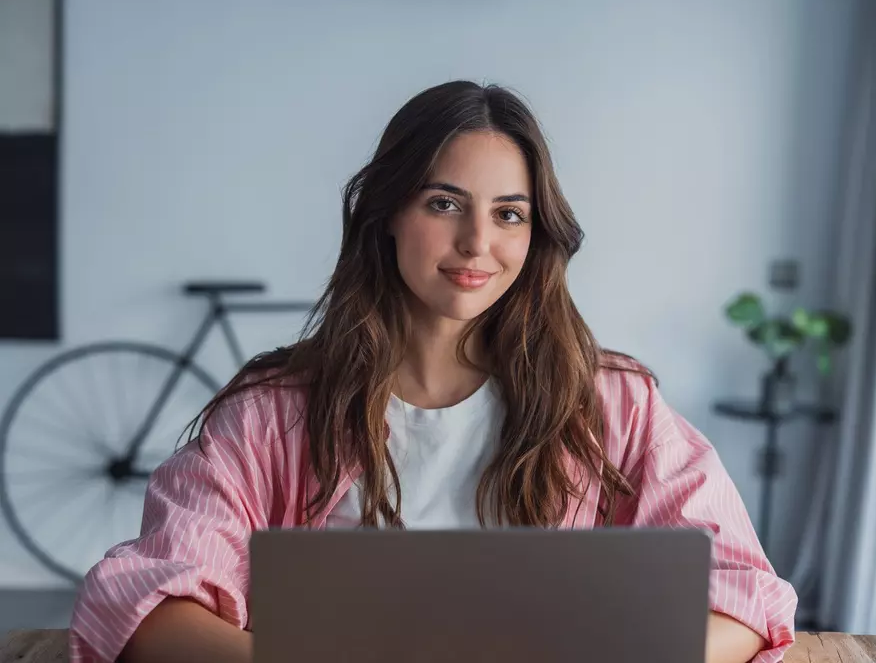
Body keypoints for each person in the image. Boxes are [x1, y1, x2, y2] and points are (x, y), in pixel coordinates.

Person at [69, 80, 796, 663]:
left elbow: (745, 596)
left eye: (510, 214)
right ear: (386, 214)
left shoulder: (610, 401)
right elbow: (144, 605)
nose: (477, 242)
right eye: (444, 203)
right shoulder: (271, 414)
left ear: (536, 232)